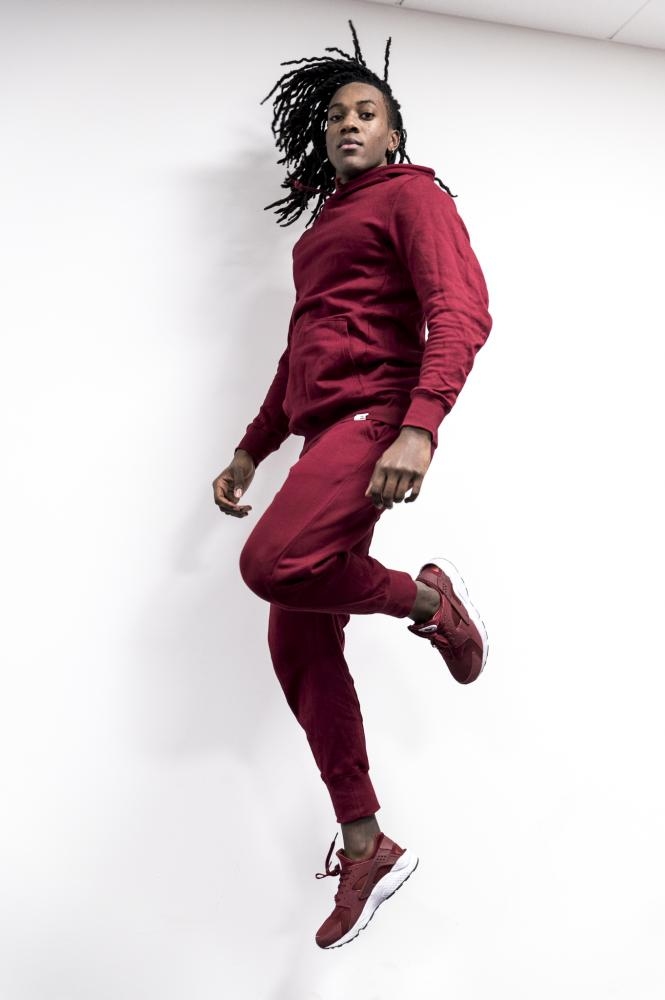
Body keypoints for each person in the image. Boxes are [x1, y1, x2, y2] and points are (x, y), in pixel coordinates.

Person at [212, 21, 493, 949]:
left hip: (376, 420)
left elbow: (461, 309)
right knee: (295, 640)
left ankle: (429, 600)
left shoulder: (412, 196)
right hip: (321, 434)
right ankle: (366, 843)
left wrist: (420, 424)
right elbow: (300, 348)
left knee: (271, 564)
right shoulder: (322, 233)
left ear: (393, 133)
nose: (347, 123)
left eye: (366, 112)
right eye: (335, 114)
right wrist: (252, 449)